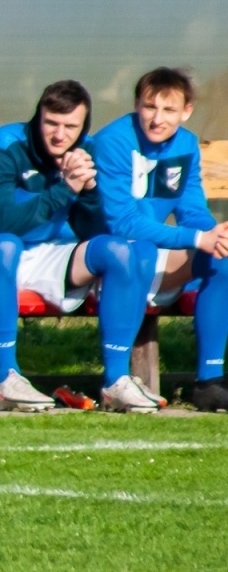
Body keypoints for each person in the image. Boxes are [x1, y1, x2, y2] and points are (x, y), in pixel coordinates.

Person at [0, 80, 163, 413]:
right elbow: (4, 223)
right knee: (6, 247)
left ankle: (115, 382)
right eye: (51, 123)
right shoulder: (7, 143)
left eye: (70, 126)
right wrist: (65, 189)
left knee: (119, 251)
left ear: (83, 126)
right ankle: (6, 379)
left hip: (46, 251)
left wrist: (88, 191)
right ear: (38, 117)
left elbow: (96, 229)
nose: (60, 135)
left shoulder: (86, 150)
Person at [89, 67, 228, 412]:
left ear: (186, 111)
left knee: (222, 256)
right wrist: (197, 237)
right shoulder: (113, 141)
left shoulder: (185, 144)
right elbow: (122, 223)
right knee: (143, 251)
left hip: (153, 257)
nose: (157, 119)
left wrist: (215, 234)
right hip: (104, 259)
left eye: (169, 110)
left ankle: (209, 383)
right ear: (137, 104)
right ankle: (115, 382)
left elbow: (191, 208)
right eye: (150, 107)